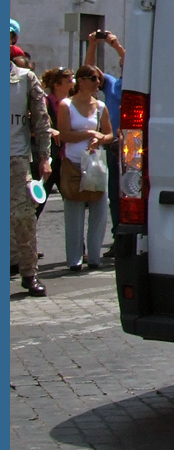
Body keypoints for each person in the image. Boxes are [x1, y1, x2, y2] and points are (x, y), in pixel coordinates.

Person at [57, 65, 113, 271]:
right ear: (81, 81)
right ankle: (74, 259)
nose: (97, 82)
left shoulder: (100, 106)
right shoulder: (66, 105)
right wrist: (89, 134)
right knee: (74, 212)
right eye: (92, 78)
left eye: (98, 79)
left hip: (95, 163)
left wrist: (100, 138)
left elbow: (109, 134)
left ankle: (95, 256)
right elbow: (64, 135)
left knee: (99, 211)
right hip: (73, 162)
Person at [10, 58, 52, 296]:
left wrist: (45, 157)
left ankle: (29, 273)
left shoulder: (25, 78)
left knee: (24, 217)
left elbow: (41, 119)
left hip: (15, 157)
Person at [86, 31, 124, 253]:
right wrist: (92, 44)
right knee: (114, 192)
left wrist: (117, 46)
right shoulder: (111, 84)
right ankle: (118, 234)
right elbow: (88, 73)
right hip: (113, 144)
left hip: (135, 144)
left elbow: (132, 61)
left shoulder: (139, 82)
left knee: (129, 191)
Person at [36, 67, 75, 217]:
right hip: (50, 159)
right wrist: (50, 130)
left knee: (72, 202)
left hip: (66, 160)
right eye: (69, 81)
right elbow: (33, 125)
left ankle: (78, 240)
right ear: (57, 85)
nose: (73, 83)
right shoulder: (45, 103)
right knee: (38, 202)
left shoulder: (72, 104)